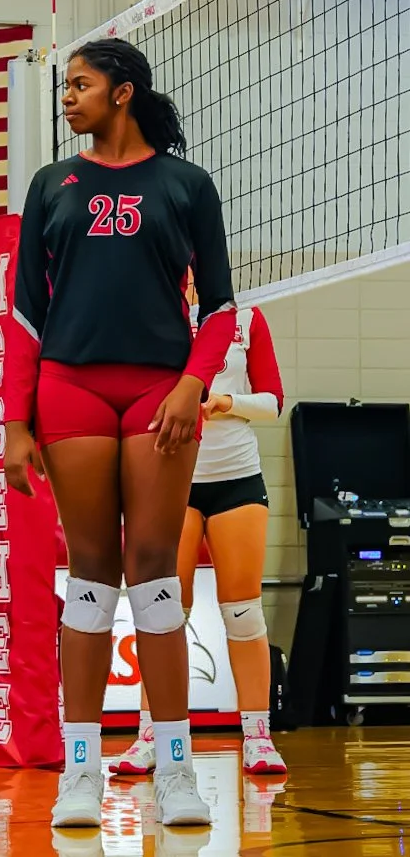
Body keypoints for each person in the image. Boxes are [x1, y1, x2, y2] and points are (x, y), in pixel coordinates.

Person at [3, 38, 236, 830]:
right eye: (65, 86)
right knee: (92, 574)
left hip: (157, 392)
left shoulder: (185, 184)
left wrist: (190, 385)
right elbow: (25, 310)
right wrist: (14, 421)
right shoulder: (51, 184)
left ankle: (174, 770)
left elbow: (220, 310)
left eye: (80, 85)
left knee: (155, 572)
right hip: (68, 385)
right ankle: (80, 771)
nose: (67, 98)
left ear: (123, 92)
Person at [110, 305, 287, 778]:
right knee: (162, 608)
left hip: (237, 477)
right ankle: (153, 734)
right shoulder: (153, 310)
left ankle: (257, 735)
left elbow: (273, 400)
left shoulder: (245, 318)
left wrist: (225, 403)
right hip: (172, 477)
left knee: (243, 611)